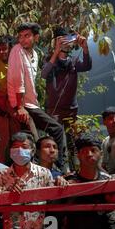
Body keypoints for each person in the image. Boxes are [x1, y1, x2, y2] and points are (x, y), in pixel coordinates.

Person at [7, 22, 65, 169]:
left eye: (27, 36)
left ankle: (47, 170)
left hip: (32, 104)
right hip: (23, 105)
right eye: (20, 36)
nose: (22, 40)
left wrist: (57, 51)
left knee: (34, 140)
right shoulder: (17, 50)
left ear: (36, 37)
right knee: (54, 130)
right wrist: (20, 107)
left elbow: (32, 81)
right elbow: (17, 80)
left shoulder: (35, 55)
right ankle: (61, 167)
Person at [42, 27, 91, 170]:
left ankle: (75, 171)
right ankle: (58, 172)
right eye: (61, 40)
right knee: (56, 142)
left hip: (71, 110)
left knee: (73, 143)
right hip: (54, 110)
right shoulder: (49, 60)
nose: (65, 43)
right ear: (55, 42)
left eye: (68, 40)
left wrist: (85, 48)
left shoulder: (73, 61)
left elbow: (87, 66)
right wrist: (56, 52)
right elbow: (44, 74)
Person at [0, 132, 55, 229]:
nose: (19, 150)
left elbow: (53, 202)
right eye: (15, 147)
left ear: (32, 151)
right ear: (10, 151)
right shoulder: (2, 175)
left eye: (24, 147)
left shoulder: (44, 173)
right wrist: (5, 191)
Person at [63, 134, 115, 229]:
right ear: (78, 155)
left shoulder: (107, 181)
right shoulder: (67, 181)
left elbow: (113, 208)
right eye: (84, 151)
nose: (89, 154)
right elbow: (56, 216)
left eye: (93, 150)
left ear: (101, 154)